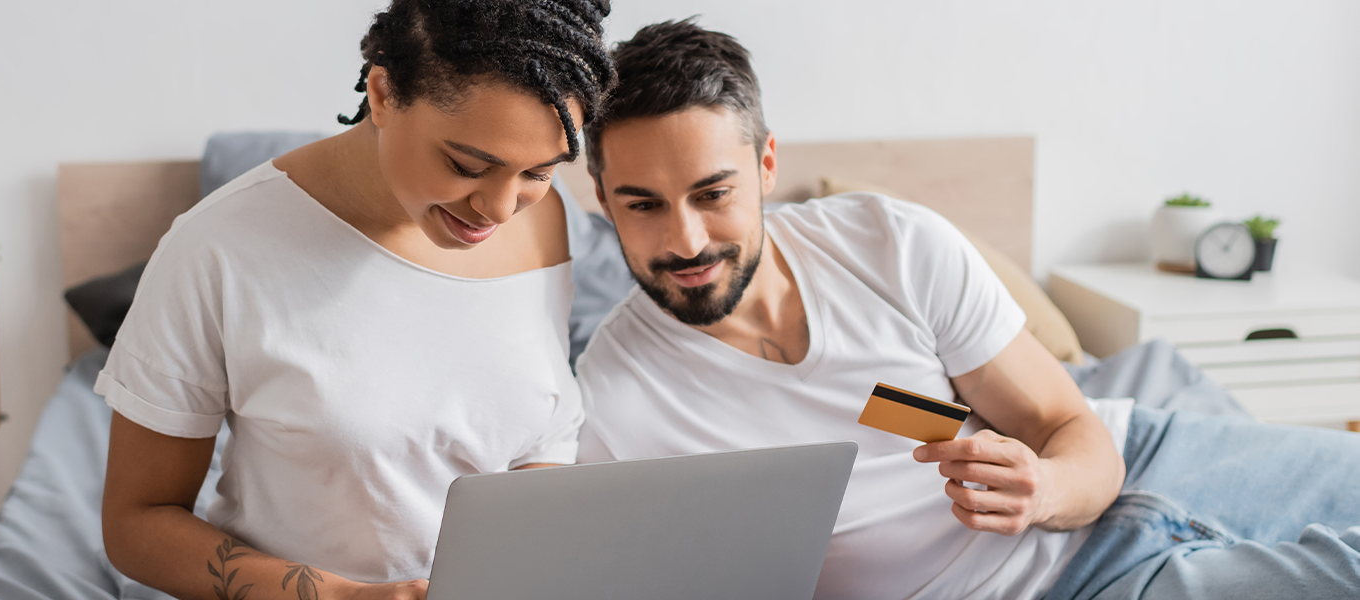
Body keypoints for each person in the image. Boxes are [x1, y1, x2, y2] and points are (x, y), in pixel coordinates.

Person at [574, 19, 1360, 600]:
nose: (685, 240)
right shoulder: (612, 404)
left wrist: (1043, 490)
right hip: (1066, 588)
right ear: (602, 197)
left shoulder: (886, 240)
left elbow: (1067, 425)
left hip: (1142, 452)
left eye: (714, 194)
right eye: (642, 204)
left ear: (768, 164)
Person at [96, 2, 615, 599]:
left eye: (540, 172)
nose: (500, 209)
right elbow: (137, 524)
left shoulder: (545, 220)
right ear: (382, 93)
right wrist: (342, 597)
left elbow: (536, 435)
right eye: (468, 165)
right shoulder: (218, 248)